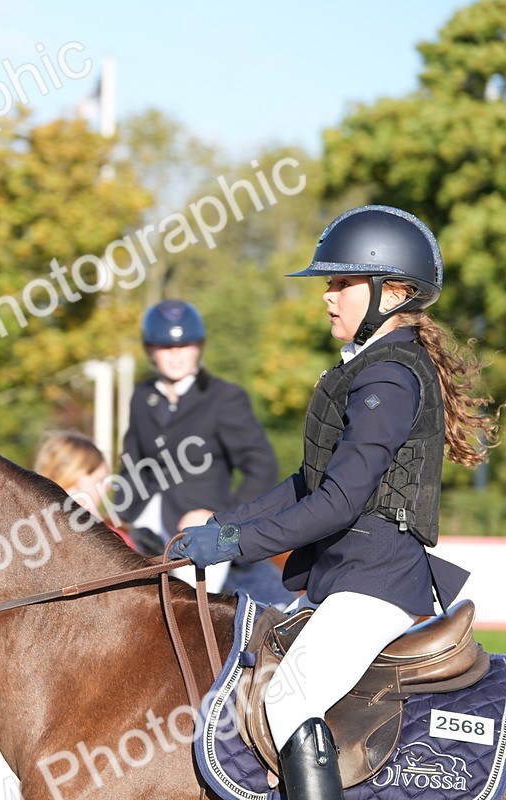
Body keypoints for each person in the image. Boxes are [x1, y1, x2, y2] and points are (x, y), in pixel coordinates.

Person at [171, 205, 499, 800]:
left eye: (341, 283)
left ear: (391, 292)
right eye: (329, 284)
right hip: (346, 578)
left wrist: (234, 544)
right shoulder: (369, 368)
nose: (328, 297)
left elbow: (340, 501)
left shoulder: (391, 377)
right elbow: (308, 481)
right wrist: (225, 523)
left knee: (288, 696)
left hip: (376, 584)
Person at [115, 299, 282, 593]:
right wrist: (121, 512)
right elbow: (132, 462)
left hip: (199, 531)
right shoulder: (141, 397)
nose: (176, 355)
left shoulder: (224, 398)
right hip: (145, 523)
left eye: (185, 346)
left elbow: (262, 466)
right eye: (166, 347)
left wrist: (223, 517)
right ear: (151, 350)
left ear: (199, 347)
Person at [33, 430, 137, 550]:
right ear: (79, 478)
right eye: (100, 480)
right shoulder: (112, 540)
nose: (108, 488)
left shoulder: (29, 531)